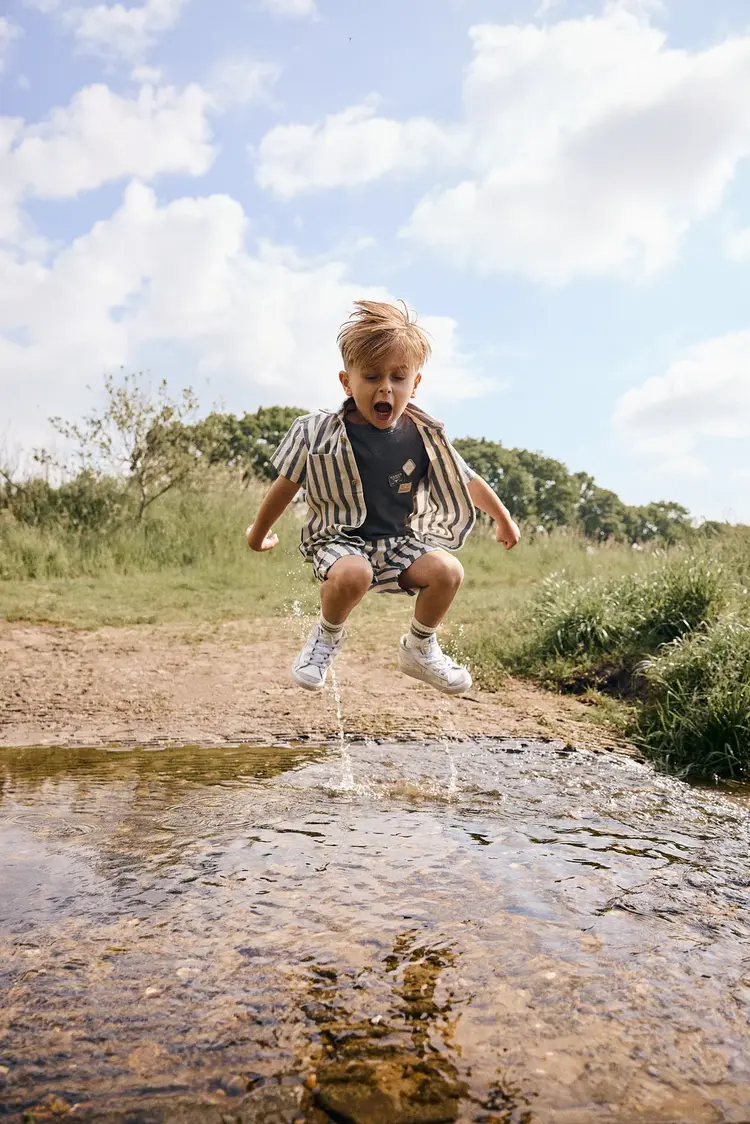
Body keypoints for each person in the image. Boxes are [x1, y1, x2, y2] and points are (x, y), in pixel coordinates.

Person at [246, 300, 520, 695]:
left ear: (416, 383)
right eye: (371, 376)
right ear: (346, 382)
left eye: (398, 377)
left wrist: (503, 517)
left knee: (448, 571)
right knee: (356, 573)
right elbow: (286, 485)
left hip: (397, 544)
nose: (385, 388)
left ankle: (420, 647)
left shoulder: (425, 435)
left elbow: (467, 479)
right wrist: (258, 533)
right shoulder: (316, 432)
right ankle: (325, 636)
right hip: (339, 542)